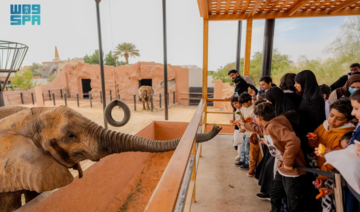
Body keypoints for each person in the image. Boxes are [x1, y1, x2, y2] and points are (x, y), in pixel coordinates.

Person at [254, 103, 307, 212]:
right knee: (275, 194)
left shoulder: (274, 126)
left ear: (259, 118)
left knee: (294, 201)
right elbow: (259, 129)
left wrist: (287, 163)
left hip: (292, 171)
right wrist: (244, 124)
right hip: (282, 168)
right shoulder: (268, 126)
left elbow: (293, 140)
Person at [308, 99, 355, 212]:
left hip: (331, 175)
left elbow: (334, 161)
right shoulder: (323, 126)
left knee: (333, 205)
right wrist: (312, 143)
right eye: (331, 115)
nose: (332, 120)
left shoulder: (346, 136)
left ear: (348, 120)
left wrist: (322, 178)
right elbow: (313, 146)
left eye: (339, 119)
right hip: (319, 170)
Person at [294, 70, 326, 155]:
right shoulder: (307, 95)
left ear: (305, 82)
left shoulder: (315, 98)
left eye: (297, 83)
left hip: (312, 137)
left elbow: (315, 121)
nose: (295, 85)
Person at [237, 93, 255, 170]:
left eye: (244, 103)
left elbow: (253, 122)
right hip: (245, 130)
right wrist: (240, 122)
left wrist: (245, 127)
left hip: (250, 132)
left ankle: (248, 163)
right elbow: (243, 117)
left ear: (249, 101)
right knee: (244, 145)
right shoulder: (244, 108)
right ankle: (243, 160)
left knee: (248, 148)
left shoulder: (254, 109)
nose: (243, 105)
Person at [231, 95, 243, 162]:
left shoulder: (243, 109)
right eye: (233, 104)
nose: (235, 105)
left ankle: (242, 157)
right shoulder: (237, 110)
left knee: (242, 143)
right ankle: (239, 155)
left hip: (244, 128)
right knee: (239, 142)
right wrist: (234, 122)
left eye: (236, 103)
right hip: (239, 127)